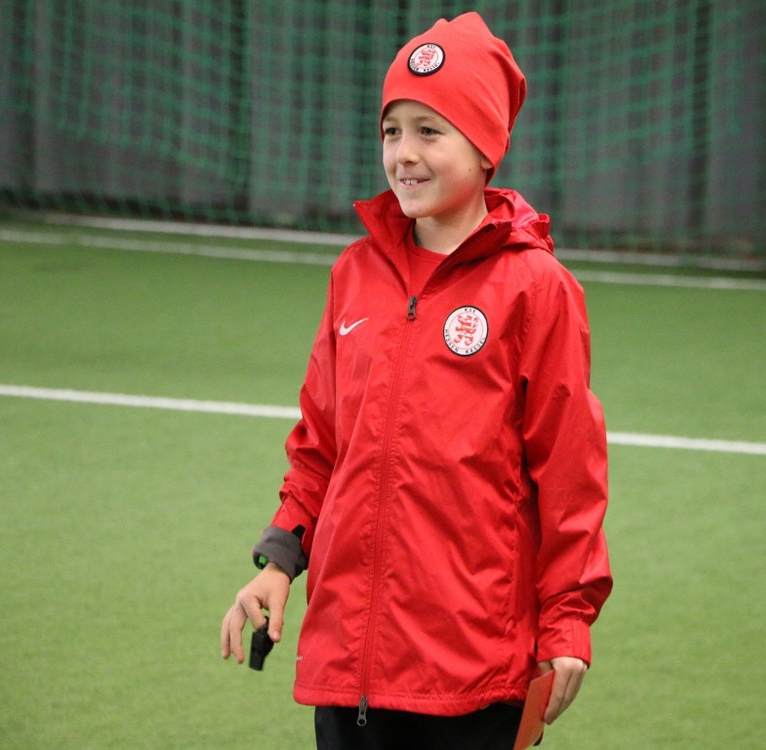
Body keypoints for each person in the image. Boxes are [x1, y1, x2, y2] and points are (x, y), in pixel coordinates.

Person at [221, 12, 612, 749]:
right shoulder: (354, 273)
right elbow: (320, 445)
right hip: (348, 669)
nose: (404, 153)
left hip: (471, 675)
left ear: (486, 147)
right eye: (391, 130)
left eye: (430, 131)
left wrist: (567, 622)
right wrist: (280, 558)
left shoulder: (537, 288)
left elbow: (569, 472)